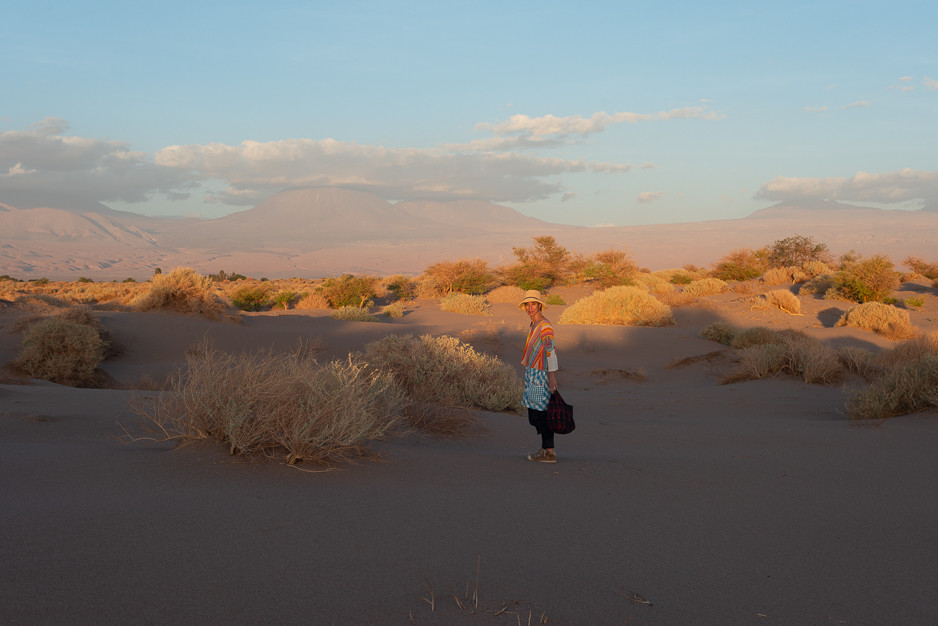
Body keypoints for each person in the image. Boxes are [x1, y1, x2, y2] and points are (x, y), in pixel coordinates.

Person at [519, 290, 559, 463]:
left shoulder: (545, 325)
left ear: (540, 305)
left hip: (541, 374)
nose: (530, 307)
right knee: (535, 413)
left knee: (541, 413)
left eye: (533, 304)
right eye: (527, 304)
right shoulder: (534, 324)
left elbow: (551, 351)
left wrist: (552, 378)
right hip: (532, 372)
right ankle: (546, 450)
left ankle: (549, 452)